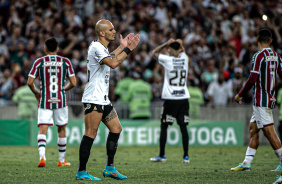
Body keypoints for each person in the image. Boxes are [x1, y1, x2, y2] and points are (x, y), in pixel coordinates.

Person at [75, 19, 140, 181]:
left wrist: (122, 47)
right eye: (111, 29)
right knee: (91, 133)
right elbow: (112, 63)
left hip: (103, 99)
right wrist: (128, 51)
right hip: (93, 97)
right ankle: (81, 171)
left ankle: (109, 168)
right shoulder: (96, 47)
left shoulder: (101, 47)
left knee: (116, 128)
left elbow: (110, 57)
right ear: (102, 32)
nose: (114, 31)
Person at [230, 29, 282, 175]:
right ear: (271, 41)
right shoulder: (276, 56)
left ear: (257, 40)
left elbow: (252, 78)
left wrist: (240, 95)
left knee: (269, 132)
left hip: (261, 100)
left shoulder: (258, 56)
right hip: (268, 98)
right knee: (253, 129)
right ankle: (247, 163)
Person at [27, 37, 76, 167]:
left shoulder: (39, 62)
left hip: (45, 100)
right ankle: (61, 160)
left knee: (43, 129)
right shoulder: (65, 61)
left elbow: (29, 82)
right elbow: (74, 83)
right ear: (58, 49)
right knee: (61, 128)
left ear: (45, 49)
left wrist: (37, 93)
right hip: (60, 100)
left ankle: (42, 157)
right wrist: (62, 89)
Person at [150, 38, 190, 163]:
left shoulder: (167, 60)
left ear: (170, 50)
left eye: (169, 50)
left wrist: (166, 43)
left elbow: (154, 53)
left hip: (171, 99)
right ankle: (186, 157)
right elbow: (182, 50)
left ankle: (162, 155)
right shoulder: (185, 59)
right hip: (183, 98)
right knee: (183, 128)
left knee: (164, 126)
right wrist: (180, 44)